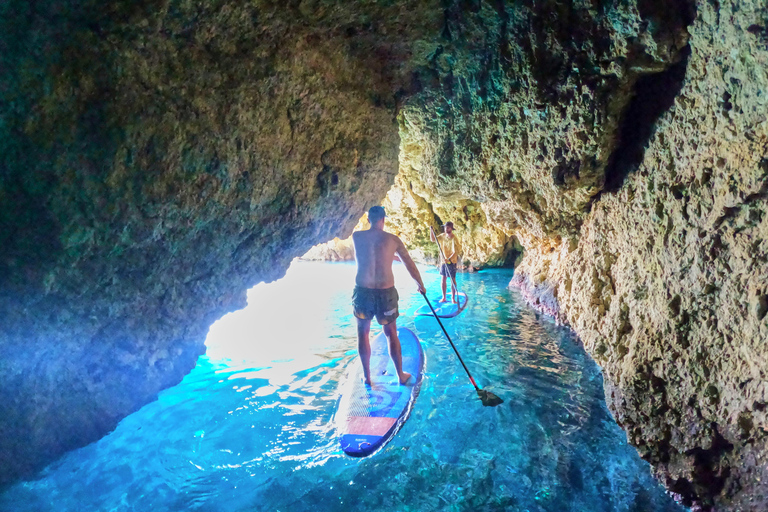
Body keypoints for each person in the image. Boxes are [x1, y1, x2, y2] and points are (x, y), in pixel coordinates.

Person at [352, 206, 426, 386]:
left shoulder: (357, 237)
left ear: (369, 219)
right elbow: (408, 263)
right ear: (383, 219)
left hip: (363, 292)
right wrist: (420, 285)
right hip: (386, 293)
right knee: (391, 333)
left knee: (363, 333)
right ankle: (400, 375)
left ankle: (367, 377)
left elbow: (367, 255)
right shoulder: (393, 240)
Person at [430, 221, 462, 303]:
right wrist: (431, 230)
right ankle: (444, 297)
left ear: (451, 229)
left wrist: (449, 259)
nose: (446, 229)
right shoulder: (442, 236)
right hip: (443, 261)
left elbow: (455, 251)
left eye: (447, 227)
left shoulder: (454, 238)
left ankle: (453, 298)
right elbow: (433, 240)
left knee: (452, 279)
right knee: (443, 278)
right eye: (445, 227)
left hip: (452, 261)